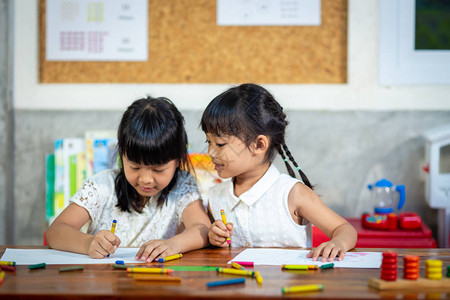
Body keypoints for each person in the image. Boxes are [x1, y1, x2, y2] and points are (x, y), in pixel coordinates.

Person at [201, 83, 357, 262]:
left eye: (220, 144)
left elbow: (344, 229)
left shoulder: (293, 194)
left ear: (259, 145)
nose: (211, 152)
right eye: (208, 142)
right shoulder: (215, 197)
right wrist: (215, 238)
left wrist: (339, 243)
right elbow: (219, 250)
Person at [46, 97, 211, 262]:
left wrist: (173, 245)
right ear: (121, 156)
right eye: (135, 167)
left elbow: (203, 229)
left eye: (158, 169)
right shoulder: (102, 186)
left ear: (178, 160)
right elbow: (55, 232)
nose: (146, 179)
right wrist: (89, 243)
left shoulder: (182, 185)